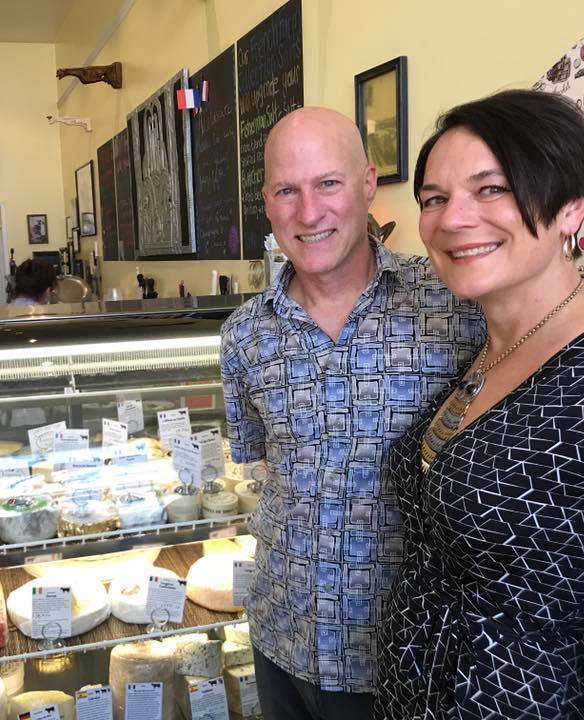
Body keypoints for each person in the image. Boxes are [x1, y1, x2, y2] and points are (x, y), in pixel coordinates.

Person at [374, 90, 584, 718]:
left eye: (492, 189)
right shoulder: (487, 348)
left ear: (571, 208)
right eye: (434, 199)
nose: (452, 219)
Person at [220, 107, 487, 719]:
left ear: (368, 184)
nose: (308, 212)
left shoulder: (456, 306)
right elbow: (265, 468)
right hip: (281, 637)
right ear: (267, 203)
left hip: (411, 658)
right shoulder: (243, 337)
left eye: (328, 183)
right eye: (287, 190)